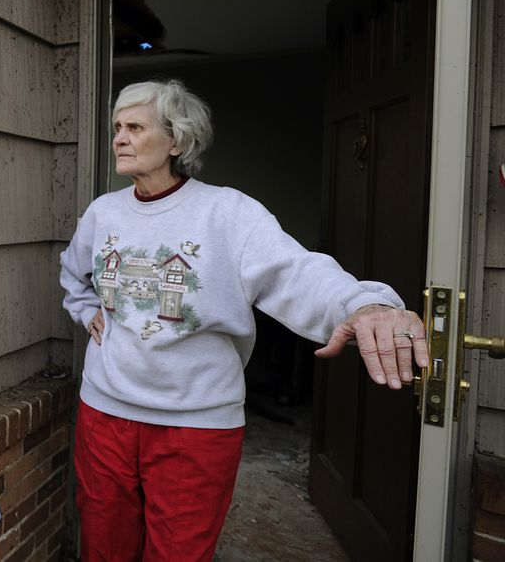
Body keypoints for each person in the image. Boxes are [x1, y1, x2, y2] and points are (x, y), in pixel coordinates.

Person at [58, 79, 430, 562]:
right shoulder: (103, 212)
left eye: (134, 127)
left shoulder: (229, 212)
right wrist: (87, 310)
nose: (119, 138)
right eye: (116, 128)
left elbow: (297, 272)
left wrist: (363, 304)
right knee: (104, 548)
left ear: (176, 140)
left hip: (196, 424)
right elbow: (74, 272)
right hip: (104, 412)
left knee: (179, 554)